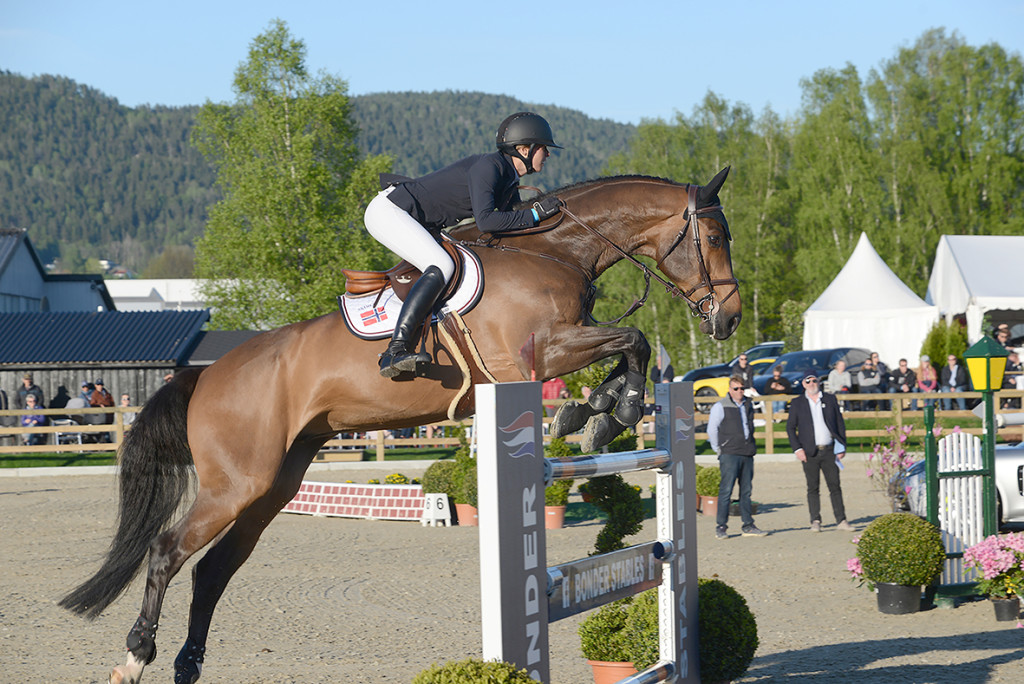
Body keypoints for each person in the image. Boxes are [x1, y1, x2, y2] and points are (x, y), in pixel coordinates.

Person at [364, 112, 563, 378]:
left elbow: (511, 223)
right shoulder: (489, 167)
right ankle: (395, 351)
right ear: (524, 149)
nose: (547, 154)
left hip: (418, 220)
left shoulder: (508, 176)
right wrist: (536, 214)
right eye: (544, 148)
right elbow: (487, 221)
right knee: (441, 265)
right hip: (390, 211)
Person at [786, 374, 854, 532]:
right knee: (812, 487)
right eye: (808, 381)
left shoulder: (830, 399)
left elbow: (839, 423)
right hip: (809, 452)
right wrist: (797, 449)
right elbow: (790, 427)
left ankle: (841, 520)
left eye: (814, 380)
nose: (811, 384)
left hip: (829, 450)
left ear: (819, 382)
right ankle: (815, 520)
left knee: (834, 485)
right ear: (803, 384)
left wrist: (842, 445)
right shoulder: (797, 403)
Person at [707, 375, 767, 539]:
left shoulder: (748, 404)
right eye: (736, 388)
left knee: (746, 491)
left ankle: (748, 525)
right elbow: (712, 429)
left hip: (747, 452)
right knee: (726, 490)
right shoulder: (721, 406)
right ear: (730, 390)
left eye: (742, 388)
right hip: (729, 453)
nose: (740, 391)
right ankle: (721, 526)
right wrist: (719, 449)